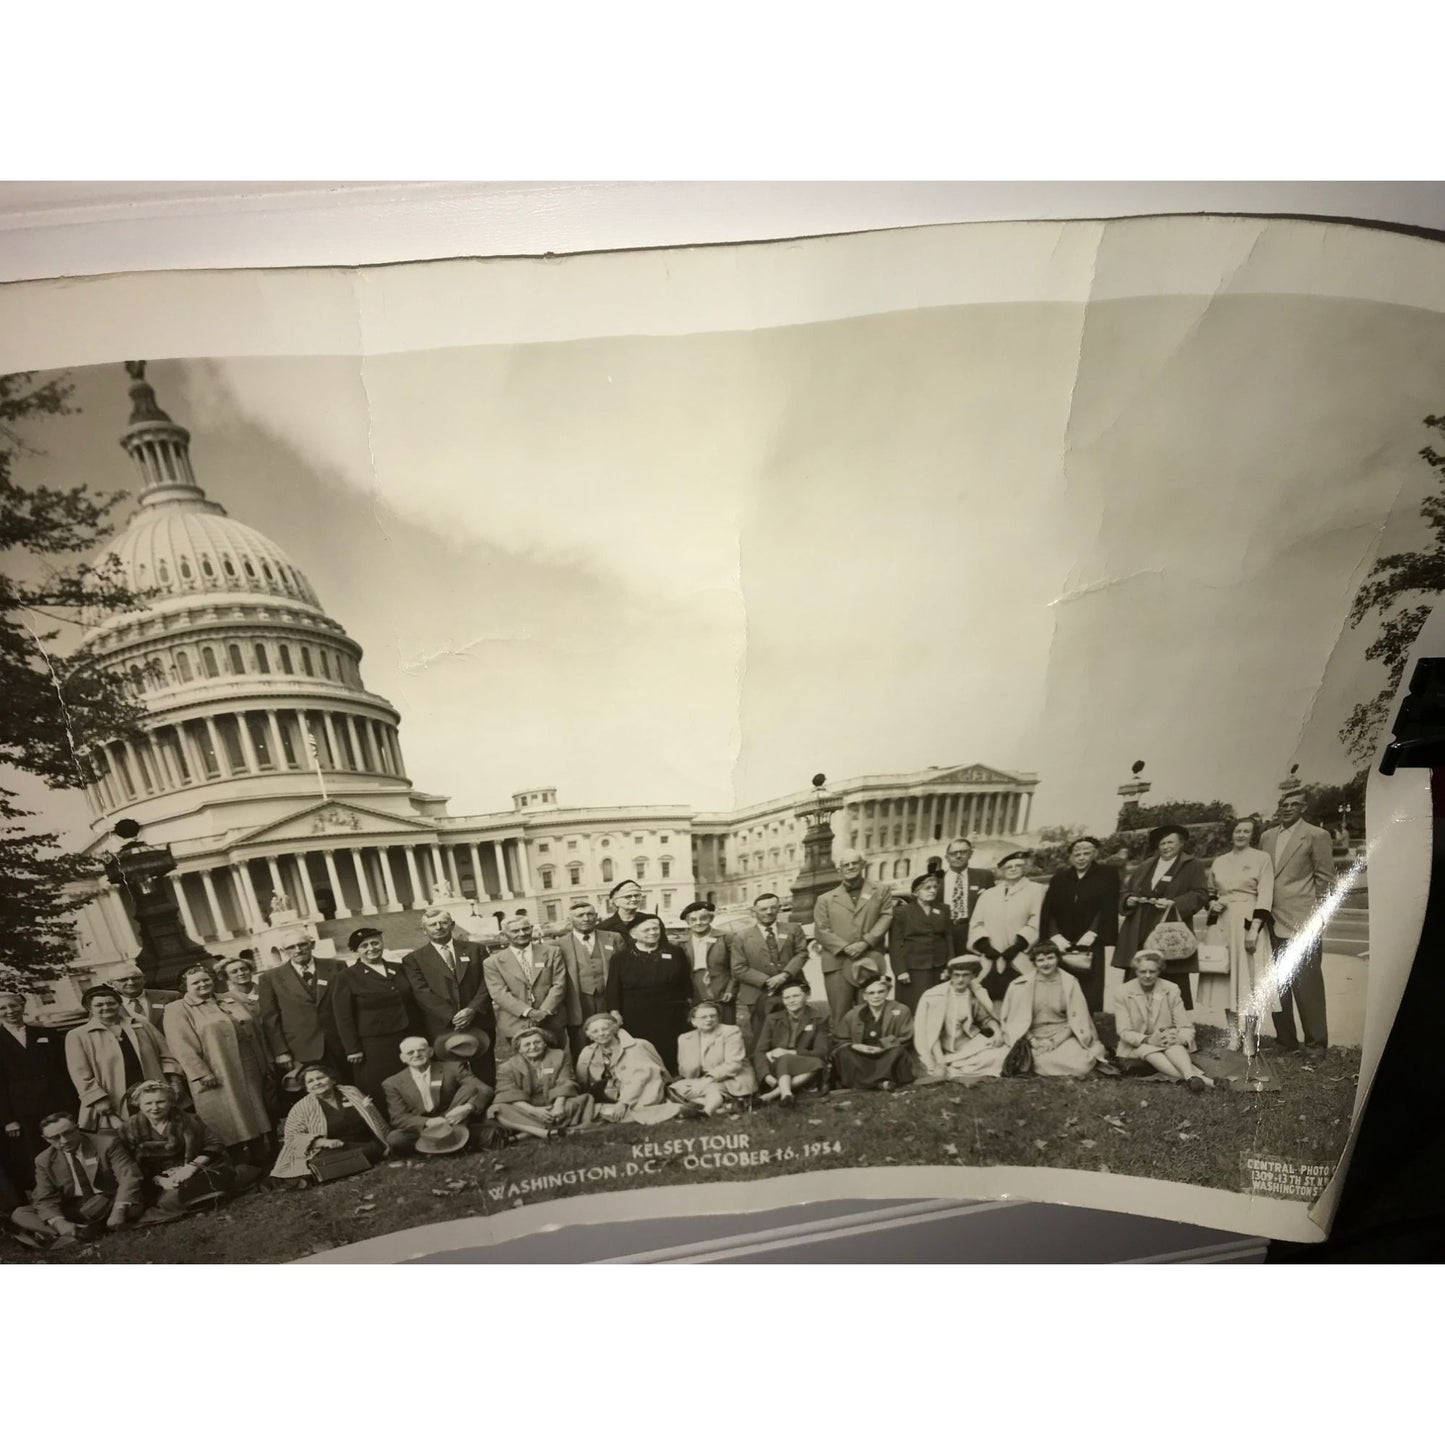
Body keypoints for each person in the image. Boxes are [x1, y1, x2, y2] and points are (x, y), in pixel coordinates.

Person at [162, 963, 272, 1158]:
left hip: (247, 1066)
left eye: (206, 979)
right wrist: (201, 1072)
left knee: (254, 1112)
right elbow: (181, 1046)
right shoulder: (177, 1009)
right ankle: (238, 1162)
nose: (203, 984)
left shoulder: (230, 998)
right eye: (196, 982)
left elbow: (254, 1027)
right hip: (215, 1070)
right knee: (226, 1118)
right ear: (184, 986)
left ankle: (262, 1157)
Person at [118, 1079, 260, 1218]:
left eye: (160, 1102)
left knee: (200, 1187)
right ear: (139, 1105)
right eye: (148, 1103)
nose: (155, 1108)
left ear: (171, 1102)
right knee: (163, 1201)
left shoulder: (189, 1120)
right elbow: (129, 1164)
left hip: (192, 1169)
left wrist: (189, 1168)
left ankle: (201, 1196)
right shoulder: (129, 1129)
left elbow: (215, 1144)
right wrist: (159, 1180)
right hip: (155, 1179)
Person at [1261, 790, 1335, 1056]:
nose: (1287, 808)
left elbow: (1325, 879)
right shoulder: (1267, 836)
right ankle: (1286, 1041)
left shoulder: (1316, 835)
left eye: (1294, 804)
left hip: (1301, 920)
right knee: (1277, 983)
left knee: (1307, 983)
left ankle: (1316, 1044)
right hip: (1269, 919)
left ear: (1303, 808)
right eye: (1283, 804)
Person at [1199, 818, 1279, 1054]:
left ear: (1252, 836)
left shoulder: (1261, 859)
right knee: (1227, 981)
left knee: (1250, 981)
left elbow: (1265, 895)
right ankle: (1234, 1035)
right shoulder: (1220, 861)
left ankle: (1249, 1038)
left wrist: (1254, 928)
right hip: (1222, 925)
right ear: (1231, 833)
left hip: (1248, 921)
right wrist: (1212, 903)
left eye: (1246, 831)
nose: (1241, 834)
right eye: (1237, 830)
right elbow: (1211, 892)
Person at [9, 1110, 143, 1243]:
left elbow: (128, 1177)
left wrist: (119, 1210)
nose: (64, 1140)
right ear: (46, 1139)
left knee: (134, 1207)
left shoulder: (107, 1143)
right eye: (55, 1138)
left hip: (108, 1201)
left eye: (67, 1133)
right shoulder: (43, 1160)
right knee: (21, 1213)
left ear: (77, 1129)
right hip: (75, 1206)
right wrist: (59, 1221)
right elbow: (44, 1198)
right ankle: (79, 1231)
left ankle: (65, 1235)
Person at [1114, 824, 1211, 1008]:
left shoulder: (1192, 865)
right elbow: (1125, 890)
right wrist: (1128, 900)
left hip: (1170, 928)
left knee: (1171, 974)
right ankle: (1140, 1019)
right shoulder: (1145, 866)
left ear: (1181, 844)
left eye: (1170, 842)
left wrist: (1175, 903)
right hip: (1141, 926)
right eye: (1162, 843)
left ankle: (1173, 1023)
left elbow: (1200, 894)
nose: (1166, 847)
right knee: (1141, 971)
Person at [65, 985, 183, 1130]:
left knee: (166, 1131)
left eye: (111, 1003)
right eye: (99, 1005)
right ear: (90, 1008)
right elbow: (80, 1074)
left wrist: (175, 1080)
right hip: (114, 1098)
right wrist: (97, 1099)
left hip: (153, 1092)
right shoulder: (78, 1035)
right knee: (129, 1136)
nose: (106, 1007)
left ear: (119, 1004)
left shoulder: (140, 1023)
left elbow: (166, 1054)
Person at [400, 908, 497, 1084]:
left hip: (479, 1021)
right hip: (442, 1027)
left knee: (486, 1073)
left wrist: (472, 1010)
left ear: (452, 925)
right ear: (424, 930)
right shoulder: (413, 959)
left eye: (443, 923)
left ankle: (489, 1108)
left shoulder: (477, 950)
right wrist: (452, 1016)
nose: (439, 927)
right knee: (451, 1076)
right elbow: (421, 992)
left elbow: (488, 982)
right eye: (432, 924)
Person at [0, 988, 78, 1191]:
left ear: (22, 1006)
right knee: (37, 1152)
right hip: (23, 1108)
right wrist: (8, 1119)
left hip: (56, 1101)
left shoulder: (45, 1033)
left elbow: (64, 1070)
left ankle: (78, 1187)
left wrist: (73, 1103)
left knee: (66, 1144)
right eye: (2, 1008)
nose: (9, 1011)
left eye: (13, 1005)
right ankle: (50, 1193)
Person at [998, 942, 1113, 1078]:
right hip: (1030, 1037)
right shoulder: (1019, 985)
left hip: (1063, 1036)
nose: (1046, 963)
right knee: (1001, 1058)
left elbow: (1078, 1019)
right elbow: (1015, 1020)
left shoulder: (1070, 983)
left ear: (1058, 959)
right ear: (1034, 962)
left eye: (1050, 958)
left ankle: (1033, 1066)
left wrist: (1054, 1041)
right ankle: (1038, 1063)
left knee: (1081, 1065)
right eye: (1040, 960)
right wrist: (1033, 1041)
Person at [333, 927, 418, 1104]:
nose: (371, 948)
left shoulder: (398, 968)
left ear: (382, 943)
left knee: (413, 1083)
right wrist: (352, 1048)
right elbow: (343, 1016)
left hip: (407, 1035)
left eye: (375, 943)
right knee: (383, 1089)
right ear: (356, 950)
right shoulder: (347, 976)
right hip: (375, 1044)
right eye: (364, 945)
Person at [813, 849, 896, 1027]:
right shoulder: (825, 899)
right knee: (840, 1013)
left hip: (869, 960)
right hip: (837, 962)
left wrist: (866, 942)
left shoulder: (881, 890)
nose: (850, 867)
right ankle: (841, 1050)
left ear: (863, 865)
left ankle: (868, 1048)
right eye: (846, 864)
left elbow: (886, 916)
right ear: (840, 869)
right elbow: (821, 930)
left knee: (870, 1010)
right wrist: (845, 947)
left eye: (854, 863)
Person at [1039, 835, 1120, 1014]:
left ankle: (1088, 1028)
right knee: (1062, 987)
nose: (1081, 857)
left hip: (1091, 941)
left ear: (1095, 854)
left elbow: (1107, 907)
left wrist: (1093, 933)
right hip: (1062, 942)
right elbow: (1049, 910)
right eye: (1077, 854)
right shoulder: (1059, 879)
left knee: (1090, 989)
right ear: (1070, 857)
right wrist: (1054, 935)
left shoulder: (1107, 875)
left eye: (1086, 853)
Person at [1113, 950, 1215, 1091]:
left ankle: (1191, 1078)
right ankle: (1206, 1081)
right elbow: (1124, 1031)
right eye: (1143, 971)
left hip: (1168, 1042)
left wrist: (1180, 1039)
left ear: (1159, 971)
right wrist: (1149, 1040)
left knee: (1173, 1045)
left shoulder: (1171, 989)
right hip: (1137, 1046)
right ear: (1135, 971)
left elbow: (1185, 1026)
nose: (1147, 976)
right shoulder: (1122, 991)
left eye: (1152, 971)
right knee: (1148, 1049)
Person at [270, 1063, 390, 1182]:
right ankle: (345, 1164)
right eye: (310, 1081)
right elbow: (292, 1137)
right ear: (307, 1088)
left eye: (320, 1078)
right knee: (325, 1157)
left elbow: (375, 1118)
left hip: (365, 1142)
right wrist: (322, 1141)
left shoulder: (351, 1092)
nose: (317, 1083)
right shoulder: (301, 1107)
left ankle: (334, 1169)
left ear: (332, 1080)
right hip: (334, 1149)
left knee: (372, 1148)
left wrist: (385, 1138)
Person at [605, 915, 693, 1073]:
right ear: (633, 934)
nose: (653, 932)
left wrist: (689, 1006)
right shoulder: (620, 958)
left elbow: (685, 982)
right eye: (647, 930)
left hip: (671, 1014)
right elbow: (613, 988)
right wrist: (615, 1012)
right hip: (636, 1015)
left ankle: (673, 1082)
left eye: (656, 928)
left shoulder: (675, 952)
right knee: (642, 1053)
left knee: (672, 1051)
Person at [257, 928, 347, 1080]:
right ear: (283, 951)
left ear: (312, 944)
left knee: (349, 1087)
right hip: (301, 1049)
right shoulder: (270, 978)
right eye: (291, 947)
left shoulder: (337, 966)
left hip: (341, 1043)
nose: (297, 950)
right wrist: (281, 1051)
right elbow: (270, 1019)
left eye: (302, 945)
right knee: (315, 1092)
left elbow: (349, 1004)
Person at [381, 1036, 494, 1153]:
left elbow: (485, 1088)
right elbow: (398, 1118)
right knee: (395, 1138)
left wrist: (468, 1108)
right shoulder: (392, 1083)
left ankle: (442, 1144)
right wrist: (428, 1122)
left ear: (430, 1052)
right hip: (424, 1128)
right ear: (403, 1058)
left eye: (421, 1050)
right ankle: (457, 1141)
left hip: (453, 1119)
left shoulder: (452, 1067)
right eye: (410, 1052)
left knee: (470, 1088)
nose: (416, 1055)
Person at [728, 892, 809, 1049]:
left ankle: (793, 1064)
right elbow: (738, 968)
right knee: (762, 1035)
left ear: (779, 908)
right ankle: (763, 1070)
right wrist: (766, 980)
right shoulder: (741, 937)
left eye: (773, 907)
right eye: (763, 909)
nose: (769, 912)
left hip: (791, 988)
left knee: (796, 1031)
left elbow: (802, 953)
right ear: (754, 911)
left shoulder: (793, 929)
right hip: (758, 993)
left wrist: (784, 975)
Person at [483, 916, 568, 1061]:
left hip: (550, 1020)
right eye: (515, 931)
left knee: (555, 1063)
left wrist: (544, 1011)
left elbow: (559, 984)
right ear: (504, 935)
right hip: (516, 1023)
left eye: (526, 928)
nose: (522, 933)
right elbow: (499, 993)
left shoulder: (552, 952)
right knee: (522, 1068)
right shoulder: (493, 962)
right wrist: (528, 1012)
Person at [912, 955, 1009, 1082]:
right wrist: (940, 1062)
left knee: (1002, 1054)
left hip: (966, 1043)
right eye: (956, 975)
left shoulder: (973, 994)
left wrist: (997, 1032)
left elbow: (985, 1018)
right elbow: (931, 1033)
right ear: (950, 975)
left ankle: (959, 1071)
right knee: (940, 1066)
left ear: (973, 976)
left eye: (965, 975)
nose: (960, 980)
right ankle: (955, 1070)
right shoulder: (936, 996)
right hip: (942, 1048)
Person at [489, 1026, 596, 1140]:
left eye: (537, 1042)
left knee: (579, 1101)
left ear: (545, 1043)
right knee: (497, 1109)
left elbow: (566, 1081)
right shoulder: (507, 1067)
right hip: (528, 1108)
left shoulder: (559, 1056)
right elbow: (508, 1093)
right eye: (527, 1045)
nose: (533, 1047)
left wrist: (558, 1106)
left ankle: (526, 1133)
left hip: (554, 1104)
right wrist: (535, 1111)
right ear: (519, 1049)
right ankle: (543, 1132)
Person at [574, 1014, 683, 1124]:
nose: (601, 1034)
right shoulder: (587, 1053)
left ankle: (667, 1110)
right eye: (595, 1031)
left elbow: (642, 1078)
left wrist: (623, 1103)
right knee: (590, 1110)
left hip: (639, 1093)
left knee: (633, 1108)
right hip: (610, 1096)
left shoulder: (637, 1045)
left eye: (605, 1029)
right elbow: (582, 1082)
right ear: (590, 1036)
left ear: (613, 1028)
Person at [969, 852, 1046, 1003]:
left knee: (1022, 995)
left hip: (1019, 954)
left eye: (1018, 866)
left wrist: (1018, 946)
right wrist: (985, 947)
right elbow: (976, 923)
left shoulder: (1037, 890)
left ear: (1025, 868)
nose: (1013, 869)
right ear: (1002, 870)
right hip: (991, 955)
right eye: (1008, 866)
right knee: (988, 997)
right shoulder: (988, 894)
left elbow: (1037, 920)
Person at [555, 901, 622, 1058]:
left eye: (590, 914)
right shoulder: (559, 944)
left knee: (613, 1038)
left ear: (596, 916)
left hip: (608, 999)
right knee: (581, 1044)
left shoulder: (613, 938)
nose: (586, 918)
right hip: (578, 1001)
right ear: (570, 919)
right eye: (580, 915)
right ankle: (585, 1078)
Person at [753, 981, 831, 1106]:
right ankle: (786, 1093)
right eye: (787, 997)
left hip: (803, 1063)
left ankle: (775, 1095)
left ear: (807, 996)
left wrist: (791, 1052)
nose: (791, 1001)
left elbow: (821, 1051)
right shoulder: (773, 1018)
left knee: (818, 1063)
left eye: (796, 996)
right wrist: (766, 1075)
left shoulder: (819, 1018)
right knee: (785, 1059)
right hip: (777, 1065)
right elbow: (760, 1051)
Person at [671, 1002, 756, 1116]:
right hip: (700, 1079)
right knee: (674, 1088)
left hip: (732, 1077)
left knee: (712, 1089)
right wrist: (694, 1082)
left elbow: (733, 1064)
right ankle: (726, 1106)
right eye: (704, 1017)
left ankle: (707, 1112)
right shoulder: (685, 1038)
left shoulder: (731, 1032)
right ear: (693, 1021)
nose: (709, 1019)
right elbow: (685, 1070)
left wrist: (705, 1081)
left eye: (713, 1016)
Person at [833, 977, 916, 1092]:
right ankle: (880, 1083)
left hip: (886, 1052)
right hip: (862, 1054)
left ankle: (862, 1082)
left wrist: (882, 1046)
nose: (876, 996)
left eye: (880, 992)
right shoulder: (854, 1014)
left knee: (898, 1051)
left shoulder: (901, 1010)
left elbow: (907, 1037)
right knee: (844, 1052)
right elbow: (840, 1040)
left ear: (887, 993)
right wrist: (856, 1046)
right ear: (864, 996)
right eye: (871, 993)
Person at [889, 873, 952, 1014]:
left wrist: (949, 966)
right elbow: (895, 944)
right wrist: (900, 971)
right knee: (914, 1007)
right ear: (916, 892)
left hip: (938, 967)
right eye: (927, 888)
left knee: (938, 1006)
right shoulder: (902, 912)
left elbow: (948, 939)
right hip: (912, 969)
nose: (933, 890)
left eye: (935, 887)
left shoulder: (944, 910)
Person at [937, 837, 996, 955]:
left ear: (970, 854)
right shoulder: (936, 880)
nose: (958, 856)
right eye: (953, 853)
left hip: (973, 933)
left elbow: (993, 908)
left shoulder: (984, 876)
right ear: (947, 857)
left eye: (963, 852)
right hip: (945, 933)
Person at [679, 902, 733, 1017]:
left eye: (703, 918)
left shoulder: (725, 937)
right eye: (693, 920)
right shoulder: (682, 942)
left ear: (711, 919)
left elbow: (735, 966)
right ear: (688, 922)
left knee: (725, 1024)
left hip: (721, 988)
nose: (698, 923)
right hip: (694, 988)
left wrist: (730, 989)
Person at [109, 966, 178, 1030]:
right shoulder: (108, 1007)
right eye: (123, 980)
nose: (131, 983)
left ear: (144, 979)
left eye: (135, 978)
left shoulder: (172, 997)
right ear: (111, 984)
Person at [598, 879, 664, 943]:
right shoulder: (604, 927)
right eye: (628, 896)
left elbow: (664, 946)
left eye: (637, 895)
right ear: (616, 902)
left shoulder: (652, 920)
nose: (634, 899)